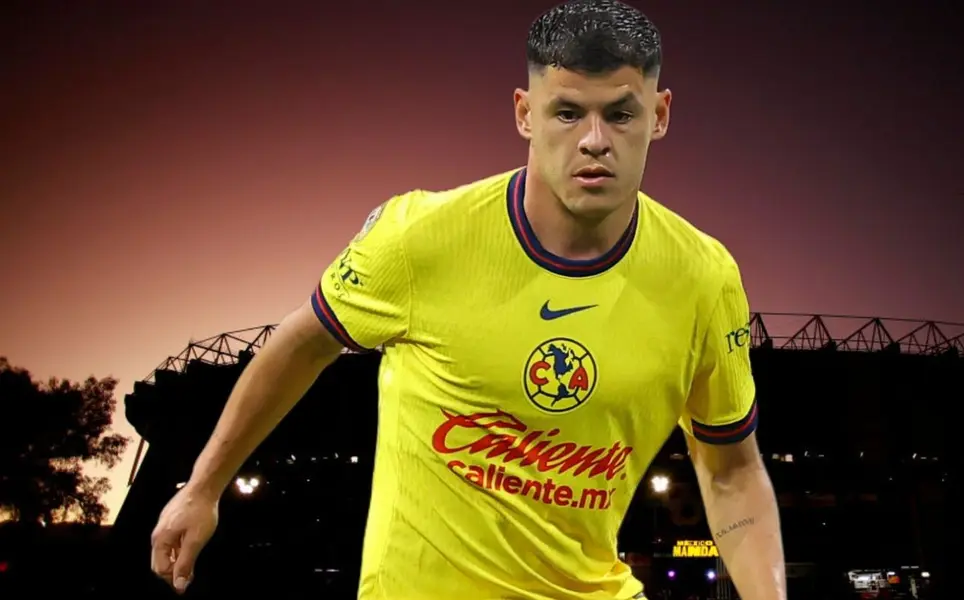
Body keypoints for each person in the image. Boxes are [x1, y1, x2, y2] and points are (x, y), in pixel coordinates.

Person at [149, 0, 786, 598]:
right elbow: (302, 343)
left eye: (621, 113)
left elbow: (731, 470)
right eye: (567, 113)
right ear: (524, 114)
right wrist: (202, 489)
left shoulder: (704, 278)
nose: (595, 140)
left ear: (661, 114)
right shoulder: (419, 238)